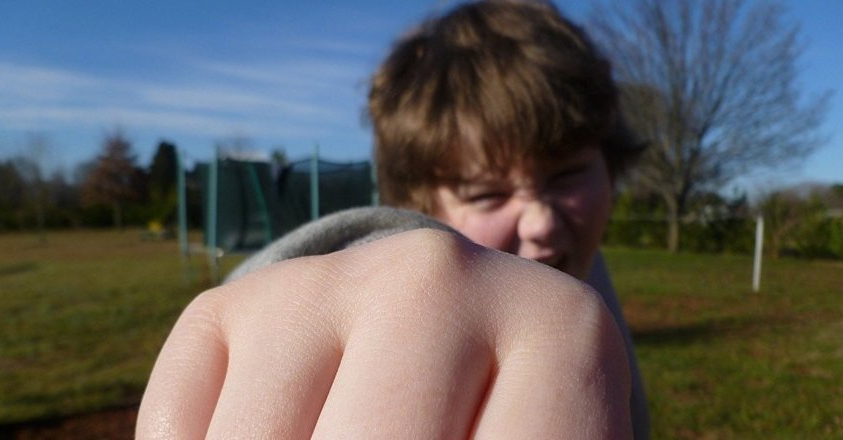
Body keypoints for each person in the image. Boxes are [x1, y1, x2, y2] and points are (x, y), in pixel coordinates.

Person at [137, 0, 648, 438]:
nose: (540, 223)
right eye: (487, 194)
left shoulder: (579, 266)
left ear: (609, 164)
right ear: (421, 202)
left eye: (568, 175)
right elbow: (395, 256)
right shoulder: (425, 239)